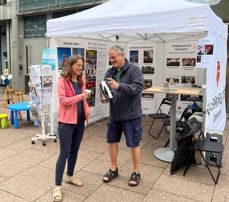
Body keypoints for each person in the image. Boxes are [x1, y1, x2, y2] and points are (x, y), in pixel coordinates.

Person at [102, 45, 144, 187]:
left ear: (122, 55)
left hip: (131, 115)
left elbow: (138, 88)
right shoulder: (109, 72)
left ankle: (136, 172)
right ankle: (113, 169)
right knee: (112, 141)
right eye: (110, 58)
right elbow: (107, 91)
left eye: (113, 57)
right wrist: (105, 98)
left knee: (134, 143)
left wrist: (120, 86)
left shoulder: (134, 69)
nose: (111, 60)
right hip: (115, 115)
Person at [53, 55, 90, 202]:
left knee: (74, 150)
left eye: (82, 65)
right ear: (71, 65)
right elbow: (63, 101)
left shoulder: (81, 80)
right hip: (66, 123)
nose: (80, 68)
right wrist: (81, 97)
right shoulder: (62, 80)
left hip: (79, 121)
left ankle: (70, 176)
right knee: (64, 153)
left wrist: (86, 108)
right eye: (78, 65)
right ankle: (57, 187)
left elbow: (84, 100)